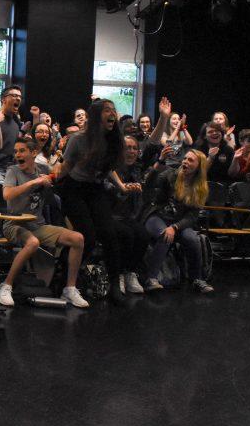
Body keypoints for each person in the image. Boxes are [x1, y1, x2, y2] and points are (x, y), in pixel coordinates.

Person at [55, 99, 140, 304]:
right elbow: (66, 167)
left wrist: (121, 186)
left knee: (110, 235)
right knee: (88, 238)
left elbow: (108, 168)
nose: (112, 114)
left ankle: (113, 286)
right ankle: (64, 280)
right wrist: (51, 179)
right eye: (107, 110)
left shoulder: (113, 140)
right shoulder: (78, 139)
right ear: (95, 116)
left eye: (113, 110)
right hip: (74, 189)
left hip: (95, 188)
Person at [0, 138, 88, 308]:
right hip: (14, 224)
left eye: (22, 151)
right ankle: (6, 285)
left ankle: (70, 289)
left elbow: (59, 172)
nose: (17, 155)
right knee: (33, 243)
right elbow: (7, 195)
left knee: (78, 239)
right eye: (15, 151)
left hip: (38, 225)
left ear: (33, 153)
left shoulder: (42, 169)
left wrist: (64, 159)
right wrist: (34, 182)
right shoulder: (13, 171)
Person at [142, 149, 213, 293]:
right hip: (158, 216)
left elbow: (192, 216)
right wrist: (160, 162)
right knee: (165, 235)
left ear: (199, 166)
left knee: (192, 238)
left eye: (190, 160)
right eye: (185, 158)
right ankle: (151, 279)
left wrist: (175, 227)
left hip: (178, 222)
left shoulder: (200, 187)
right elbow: (149, 183)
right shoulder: (170, 175)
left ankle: (197, 279)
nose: (185, 162)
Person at [108, 135, 149, 295]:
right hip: (109, 215)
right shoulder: (110, 169)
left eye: (134, 148)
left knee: (143, 235)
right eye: (127, 148)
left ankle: (130, 272)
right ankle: (118, 275)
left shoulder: (138, 169)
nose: (131, 151)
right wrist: (122, 188)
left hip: (127, 216)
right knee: (127, 235)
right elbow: (107, 190)